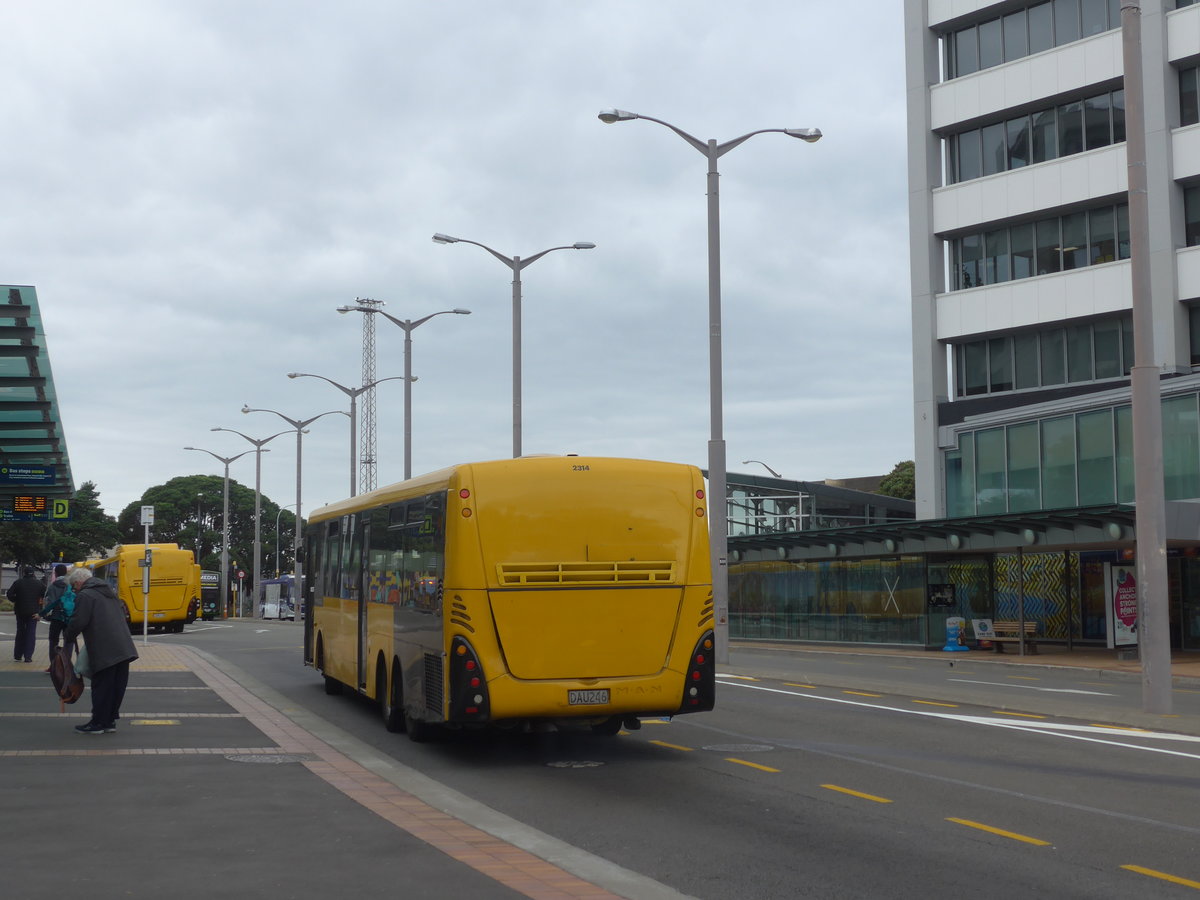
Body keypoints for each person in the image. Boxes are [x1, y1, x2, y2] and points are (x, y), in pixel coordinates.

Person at [62, 566, 138, 735]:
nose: (74, 591)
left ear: (79, 582)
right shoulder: (108, 592)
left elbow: (78, 621)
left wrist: (68, 636)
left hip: (105, 647)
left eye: (74, 587)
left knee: (102, 686)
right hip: (123, 646)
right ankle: (109, 721)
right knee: (116, 686)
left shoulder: (86, 595)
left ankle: (97, 723)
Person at [7, 566, 45, 663]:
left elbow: (9, 594)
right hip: (34, 612)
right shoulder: (39, 584)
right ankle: (28, 656)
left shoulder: (18, 582)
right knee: (31, 633)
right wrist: (40, 609)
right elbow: (43, 597)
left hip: (20, 611)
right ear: (33, 573)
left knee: (20, 632)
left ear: (24, 573)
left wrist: (17, 600)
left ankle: (18, 655)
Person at [38, 564, 72, 671]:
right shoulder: (70, 585)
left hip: (56, 616)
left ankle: (54, 665)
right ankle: (66, 664)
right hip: (68, 617)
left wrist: (44, 613)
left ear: (55, 573)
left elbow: (50, 602)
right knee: (69, 641)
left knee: (53, 640)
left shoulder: (53, 586)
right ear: (66, 573)